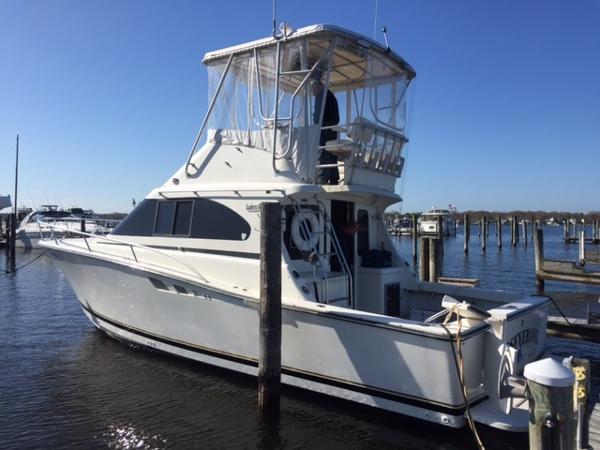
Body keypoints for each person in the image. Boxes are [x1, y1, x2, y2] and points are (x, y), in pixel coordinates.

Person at [312, 80, 340, 184]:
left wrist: (314, 126)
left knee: (322, 151)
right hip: (332, 128)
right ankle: (334, 179)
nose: (312, 92)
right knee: (331, 153)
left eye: (313, 89)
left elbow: (318, 116)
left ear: (318, 87)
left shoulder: (322, 96)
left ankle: (322, 178)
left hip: (325, 128)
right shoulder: (329, 95)